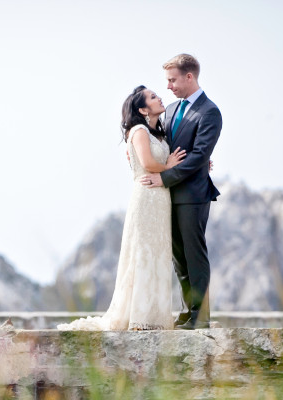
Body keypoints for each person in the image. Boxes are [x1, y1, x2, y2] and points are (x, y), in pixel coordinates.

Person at [59, 86, 187, 331]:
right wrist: (170, 165)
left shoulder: (158, 134)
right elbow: (148, 163)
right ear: (142, 109)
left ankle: (155, 316)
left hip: (161, 198)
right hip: (147, 198)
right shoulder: (138, 130)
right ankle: (140, 317)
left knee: (159, 253)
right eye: (152, 97)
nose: (159, 97)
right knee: (144, 253)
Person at [140, 54, 222, 329]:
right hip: (169, 197)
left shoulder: (210, 112)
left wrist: (164, 179)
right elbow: (163, 145)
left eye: (172, 80)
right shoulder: (172, 109)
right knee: (178, 256)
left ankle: (201, 316)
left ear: (190, 77)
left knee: (194, 253)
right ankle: (189, 310)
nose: (168, 86)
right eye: (167, 81)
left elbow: (199, 156)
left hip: (193, 195)